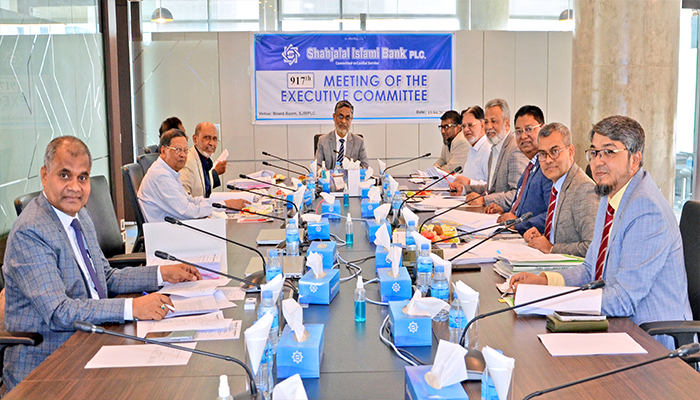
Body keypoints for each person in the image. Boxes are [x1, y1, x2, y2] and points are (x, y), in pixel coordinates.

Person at [2, 136, 203, 391]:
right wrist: (132, 307)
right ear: (44, 175)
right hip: (49, 365)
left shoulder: (79, 215)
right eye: (64, 175)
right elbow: (59, 312)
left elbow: (105, 278)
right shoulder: (31, 231)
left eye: (82, 177)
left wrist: (161, 274)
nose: (74, 187)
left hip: (92, 340)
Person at [511, 116, 692, 349]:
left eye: (609, 152)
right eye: (595, 153)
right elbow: (591, 270)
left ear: (635, 159)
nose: (598, 162)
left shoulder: (646, 208)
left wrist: (552, 300)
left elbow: (624, 299)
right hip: (617, 326)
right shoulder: (610, 195)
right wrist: (544, 281)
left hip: (652, 341)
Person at [521, 123, 598, 257]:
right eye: (543, 154)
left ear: (570, 151)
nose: (548, 160)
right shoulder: (557, 185)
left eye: (555, 151)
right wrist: (542, 237)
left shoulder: (584, 189)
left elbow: (592, 248)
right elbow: (564, 236)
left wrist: (552, 248)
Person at [138, 129, 249, 222]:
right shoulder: (161, 176)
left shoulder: (169, 171)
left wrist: (224, 203)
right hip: (166, 233)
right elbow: (188, 212)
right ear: (163, 151)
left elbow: (191, 201)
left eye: (185, 150)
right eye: (178, 150)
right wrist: (223, 205)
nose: (183, 155)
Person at [449, 98, 528, 210]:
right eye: (486, 122)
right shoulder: (494, 149)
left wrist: (484, 200)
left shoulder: (514, 150)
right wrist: (464, 189)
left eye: (494, 121)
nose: (489, 126)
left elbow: (517, 194)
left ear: (506, 123)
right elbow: (491, 189)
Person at [484, 105, 551, 235]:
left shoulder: (548, 167)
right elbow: (523, 206)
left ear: (543, 129)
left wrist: (517, 223)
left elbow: (553, 214)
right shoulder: (531, 165)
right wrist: (505, 211)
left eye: (529, 129)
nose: (523, 136)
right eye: (519, 131)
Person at [315, 100, 369, 170]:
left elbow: (365, 167)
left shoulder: (359, 142)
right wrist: (325, 173)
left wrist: (354, 170)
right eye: (340, 117)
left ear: (351, 119)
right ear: (334, 117)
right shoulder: (323, 141)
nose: (343, 121)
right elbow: (317, 165)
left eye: (347, 118)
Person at [180, 122, 226, 198]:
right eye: (207, 138)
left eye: (214, 139)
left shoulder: (206, 162)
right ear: (195, 139)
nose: (211, 143)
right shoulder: (186, 162)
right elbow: (184, 199)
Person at [460, 106, 491, 185]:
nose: (466, 130)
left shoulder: (488, 149)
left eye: (470, 125)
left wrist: (469, 183)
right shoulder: (472, 150)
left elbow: (491, 185)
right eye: (463, 126)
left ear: (482, 125)